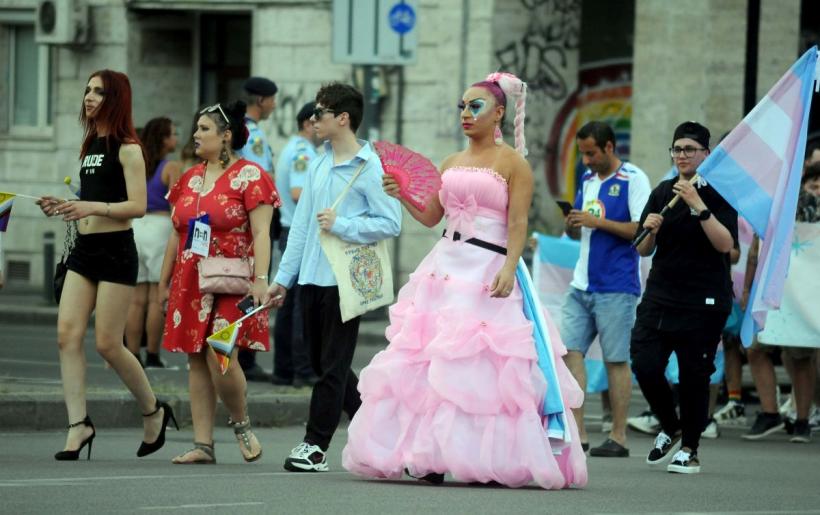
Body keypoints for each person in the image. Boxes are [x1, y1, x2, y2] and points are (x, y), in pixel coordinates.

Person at [340, 72, 587, 489]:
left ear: (499, 113)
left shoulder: (513, 163)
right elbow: (431, 217)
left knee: (479, 364)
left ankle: (484, 459)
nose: (466, 114)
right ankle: (428, 456)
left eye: (475, 106)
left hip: (487, 267)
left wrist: (509, 267)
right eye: (462, 107)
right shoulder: (451, 162)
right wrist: (402, 194)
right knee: (430, 360)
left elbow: (518, 223)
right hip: (444, 267)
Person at [36, 69, 177, 460]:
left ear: (115, 99)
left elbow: (137, 206)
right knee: (66, 334)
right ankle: (78, 425)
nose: (89, 96)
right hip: (84, 249)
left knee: (108, 344)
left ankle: (153, 410)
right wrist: (65, 205)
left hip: (116, 251)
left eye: (98, 92)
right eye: (87, 90)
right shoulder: (89, 145)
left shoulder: (128, 148)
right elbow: (90, 197)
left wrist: (91, 206)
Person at [263, 82, 402, 473]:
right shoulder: (318, 162)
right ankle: (383, 434)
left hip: (344, 280)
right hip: (311, 276)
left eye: (320, 112)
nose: (313, 119)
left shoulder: (369, 167)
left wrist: (344, 224)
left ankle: (315, 445)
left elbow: (391, 222)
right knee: (322, 361)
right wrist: (283, 279)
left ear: (343, 118)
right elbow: (302, 226)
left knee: (332, 366)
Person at [159, 100, 280, 464]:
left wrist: (261, 280)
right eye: (196, 128)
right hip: (190, 278)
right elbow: (176, 234)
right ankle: (203, 444)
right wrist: (164, 284)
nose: (196, 135)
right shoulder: (189, 178)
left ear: (226, 135)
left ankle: (241, 424)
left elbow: (262, 233)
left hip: (233, 280)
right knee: (196, 358)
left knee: (220, 353)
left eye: (204, 129)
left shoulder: (251, 176)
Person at [632, 121, 737, 474]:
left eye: (690, 149)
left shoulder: (719, 194)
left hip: (704, 300)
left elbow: (726, 244)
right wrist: (650, 230)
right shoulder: (663, 192)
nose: (682, 155)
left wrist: (698, 205)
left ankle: (690, 448)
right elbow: (643, 249)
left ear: (706, 154)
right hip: (661, 296)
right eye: (677, 149)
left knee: (694, 375)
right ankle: (670, 425)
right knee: (644, 363)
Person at [561, 121, 650, 457]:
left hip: (617, 285)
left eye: (591, 153)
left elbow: (642, 230)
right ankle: (578, 433)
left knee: (615, 360)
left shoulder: (634, 179)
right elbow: (581, 230)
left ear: (609, 147)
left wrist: (597, 222)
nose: (586, 161)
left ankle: (619, 436)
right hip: (581, 283)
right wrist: (573, 224)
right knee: (568, 351)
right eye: (583, 154)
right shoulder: (587, 179)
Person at [743, 165, 820, 443]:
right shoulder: (773, 201)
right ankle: (772, 414)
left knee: (800, 355)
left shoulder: (808, 204)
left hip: (800, 292)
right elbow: (756, 249)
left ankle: (800, 420)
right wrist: (748, 288)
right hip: (773, 289)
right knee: (756, 348)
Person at [125, 117, 182, 368]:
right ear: (163, 139)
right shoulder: (171, 168)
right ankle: (153, 354)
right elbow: (177, 206)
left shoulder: (137, 164)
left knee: (136, 299)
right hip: (159, 228)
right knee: (157, 297)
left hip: (135, 226)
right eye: (173, 134)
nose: (176, 138)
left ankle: (132, 354)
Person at [270, 101, 319, 388]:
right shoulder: (303, 152)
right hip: (298, 232)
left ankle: (284, 369)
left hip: (289, 230)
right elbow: (299, 192)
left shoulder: (294, 147)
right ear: (308, 123)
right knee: (301, 304)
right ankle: (302, 370)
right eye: (319, 120)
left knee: (288, 305)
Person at [236, 76, 278, 382]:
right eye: (272, 99)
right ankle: (246, 358)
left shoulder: (245, 130)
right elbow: (262, 177)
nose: (274, 105)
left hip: (249, 214)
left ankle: (242, 355)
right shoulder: (253, 134)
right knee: (255, 281)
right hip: (257, 214)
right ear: (261, 100)